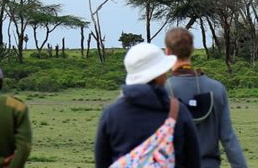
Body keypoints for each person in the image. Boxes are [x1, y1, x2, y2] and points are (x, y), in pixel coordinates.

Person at [95, 43, 201, 168]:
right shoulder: (177, 111)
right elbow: (193, 162)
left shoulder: (111, 114)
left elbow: (102, 162)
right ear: (158, 75)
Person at [164, 28, 248, 168]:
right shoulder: (216, 89)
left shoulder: (161, 91)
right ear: (192, 49)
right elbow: (228, 139)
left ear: (167, 52)